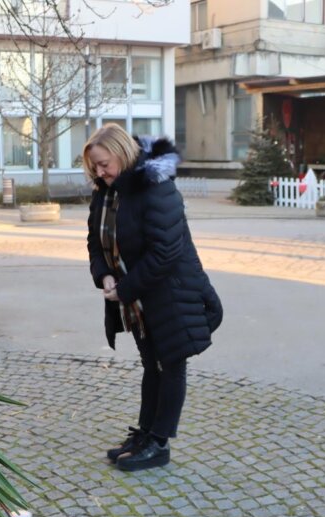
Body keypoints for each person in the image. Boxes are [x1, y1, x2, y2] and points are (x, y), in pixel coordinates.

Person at [84, 124, 223, 471]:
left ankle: (159, 444)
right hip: (140, 297)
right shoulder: (107, 191)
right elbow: (95, 241)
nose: (100, 173)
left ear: (121, 152)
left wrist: (125, 288)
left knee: (171, 364)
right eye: (95, 167)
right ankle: (145, 434)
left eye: (104, 164)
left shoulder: (156, 186)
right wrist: (104, 274)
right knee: (152, 364)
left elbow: (166, 252)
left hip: (172, 293)